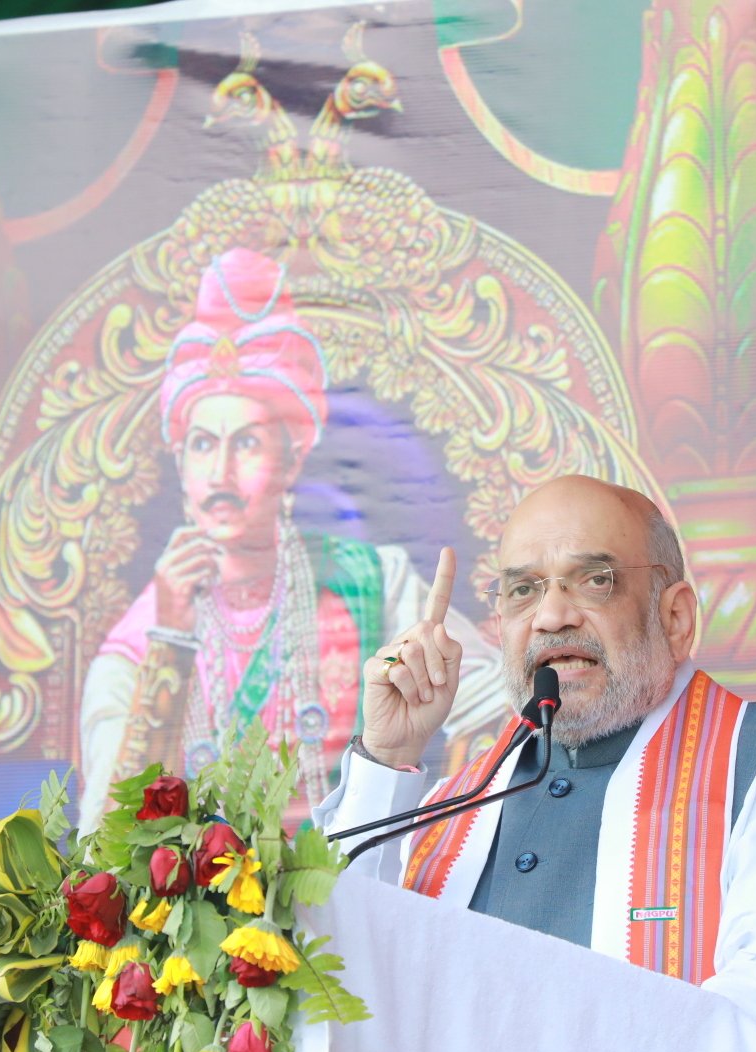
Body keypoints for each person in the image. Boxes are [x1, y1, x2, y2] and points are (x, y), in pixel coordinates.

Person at [315, 474, 756, 1052]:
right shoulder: (449, 809)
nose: (552, 615)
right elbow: (337, 987)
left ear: (676, 617)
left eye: (594, 580)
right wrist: (387, 760)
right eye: (524, 589)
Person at [78, 248, 503, 831]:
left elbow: (500, 705)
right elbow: (105, 839)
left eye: (246, 444)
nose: (221, 473)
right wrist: (172, 642)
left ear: (291, 459)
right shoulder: (145, 633)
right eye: (203, 444)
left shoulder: (368, 581)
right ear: (180, 463)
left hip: (350, 893)